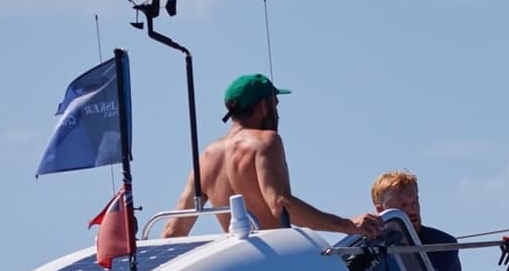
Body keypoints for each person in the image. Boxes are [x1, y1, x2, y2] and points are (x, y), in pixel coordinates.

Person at [163, 74, 382, 240]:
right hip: (272, 263)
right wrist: (346, 225)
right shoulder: (266, 141)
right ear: (262, 106)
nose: (278, 113)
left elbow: (174, 230)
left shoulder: (206, 157)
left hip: (236, 266)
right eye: (275, 105)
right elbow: (280, 204)